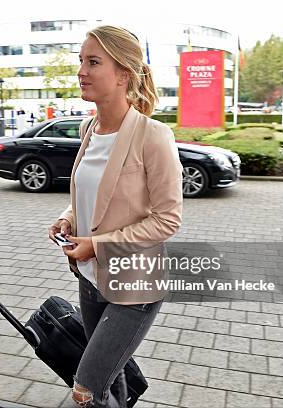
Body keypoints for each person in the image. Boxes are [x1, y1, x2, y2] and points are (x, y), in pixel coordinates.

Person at [48, 26, 183, 407]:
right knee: (113, 382)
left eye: (93, 62)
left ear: (123, 73)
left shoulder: (153, 136)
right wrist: (67, 218)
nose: (81, 71)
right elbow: (92, 197)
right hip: (91, 279)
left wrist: (98, 244)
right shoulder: (88, 129)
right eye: (81, 61)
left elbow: (167, 219)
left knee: (86, 390)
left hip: (135, 286)